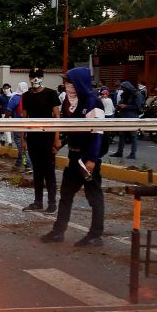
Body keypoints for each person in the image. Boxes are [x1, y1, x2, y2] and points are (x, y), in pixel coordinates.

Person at [40, 67, 106, 247]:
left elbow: (97, 133)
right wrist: (61, 141)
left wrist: (92, 159)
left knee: (94, 197)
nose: (68, 86)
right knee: (66, 195)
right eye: (66, 82)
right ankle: (58, 231)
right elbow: (71, 128)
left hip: (87, 160)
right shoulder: (68, 103)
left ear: (80, 83)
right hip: (73, 156)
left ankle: (95, 235)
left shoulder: (94, 102)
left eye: (70, 82)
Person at [20, 68, 61, 213]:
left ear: (42, 78)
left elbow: (57, 117)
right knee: (37, 171)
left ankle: (52, 203)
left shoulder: (51, 94)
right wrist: (23, 139)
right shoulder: (26, 96)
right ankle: (38, 202)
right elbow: (24, 119)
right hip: (33, 138)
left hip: (48, 138)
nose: (36, 79)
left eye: (38, 76)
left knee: (49, 171)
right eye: (33, 77)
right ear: (29, 78)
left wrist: (56, 138)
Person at [109, 79, 141, 159]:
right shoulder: (124, 94)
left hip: (132, 117)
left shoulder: (136, 94)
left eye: (124, 88)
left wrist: (126, 106)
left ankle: (133, 153)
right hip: (123, 116)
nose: (123, 90)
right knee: (121, 135)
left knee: (133, 136)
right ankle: (119, 152)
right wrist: (120, 104)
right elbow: (121, 101)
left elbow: (138, 106)